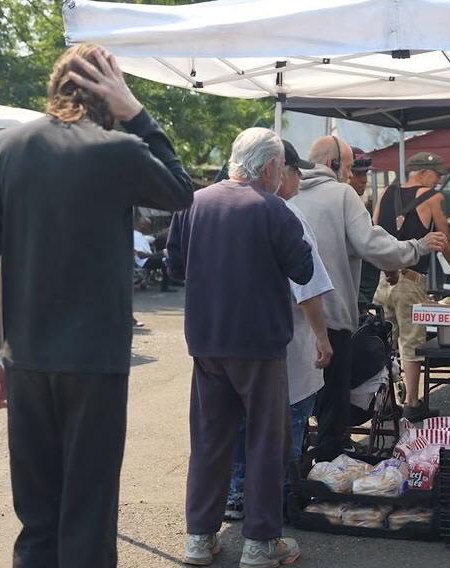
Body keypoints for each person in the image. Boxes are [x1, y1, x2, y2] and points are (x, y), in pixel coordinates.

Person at [0, 44, 195, 567]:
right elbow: (182, 192)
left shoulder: (6, 147)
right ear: (109, 92)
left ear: (55, 86)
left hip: (27, 357)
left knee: (37, 516)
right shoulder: (118, 150)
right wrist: (136, 112)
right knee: (88, 511)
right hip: (96, 360)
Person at [167, 127, 312, 567]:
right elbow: (303, 270)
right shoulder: (274, 210)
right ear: (270, 167)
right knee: (266, 441)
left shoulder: (192, 203)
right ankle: (261, 543)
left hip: (207, 342)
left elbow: (175, 268)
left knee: (210, 440)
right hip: (260, 346)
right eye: (280, 169)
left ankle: (199, 538)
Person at [293, 139, 446, 458]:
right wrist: (417, 247)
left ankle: (292, 467)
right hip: (331, 315)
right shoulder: (341, 194)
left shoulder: (286, 195)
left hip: (291, 320)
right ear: (333, 164)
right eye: (348, 168)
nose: (350, 176)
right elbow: (373, 244)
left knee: (294, 401)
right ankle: (326, 467)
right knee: (333, 400)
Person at [224, 140, 334, 521]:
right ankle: (277, 499)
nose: (299, 177)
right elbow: (308, 286)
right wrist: (323, 336)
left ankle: (237, 493)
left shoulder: (220, 209)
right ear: (274, 169)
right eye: (293, 169)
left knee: (240, 422)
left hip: (228, 343)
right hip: (284, 346)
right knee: (287, 423)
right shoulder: (286, 215)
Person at [371, 151, 450, 423]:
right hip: (411, 280)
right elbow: (443, 240)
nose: (437, 181)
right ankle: (412, 402)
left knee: (384, 343)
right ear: (422, 172)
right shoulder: (432, 197)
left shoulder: (386, 193)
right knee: (411, 342)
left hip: (383, 278)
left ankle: (384, 399)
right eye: (436, 174)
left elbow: (375, 233)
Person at [349, 146, 382, 309]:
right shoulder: (338, 207)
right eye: (357, 173)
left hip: (362, 297)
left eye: (365, 173)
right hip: (352, 297)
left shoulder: (358, 207)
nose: (364, 179)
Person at [134, 217, 175, 292]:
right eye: (148, 226)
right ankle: (165, 287)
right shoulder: (135, 236)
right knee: (166, 260)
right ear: (142, 225)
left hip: (148, 258)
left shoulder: (141, 235)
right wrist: (157, 254)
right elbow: (140, 255)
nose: (149, 228)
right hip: (143, 261)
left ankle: (172, 280)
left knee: (168, 255)